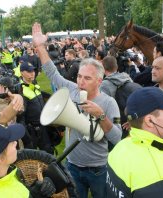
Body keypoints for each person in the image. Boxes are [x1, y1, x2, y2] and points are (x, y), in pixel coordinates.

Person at [32, 22, 122, 198]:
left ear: (99, 81)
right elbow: (52, 73)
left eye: (87, 78)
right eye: (79, 76)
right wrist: (40, 46)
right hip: (72, 165)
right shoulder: (72, 89)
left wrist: (100, 115)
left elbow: (118, 138)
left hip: (98, 168)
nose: (81, 81)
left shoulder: (109, 102)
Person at [16, 62, 55, 153]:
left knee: (49, 152)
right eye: (29, 71)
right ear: (22, 73)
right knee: (37, 158)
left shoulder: (34, 85)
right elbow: (21, 118)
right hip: (33, 131)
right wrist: (27, 140)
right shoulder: (20, 90)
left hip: (44, 126)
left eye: (33, 70)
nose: (32, 73)